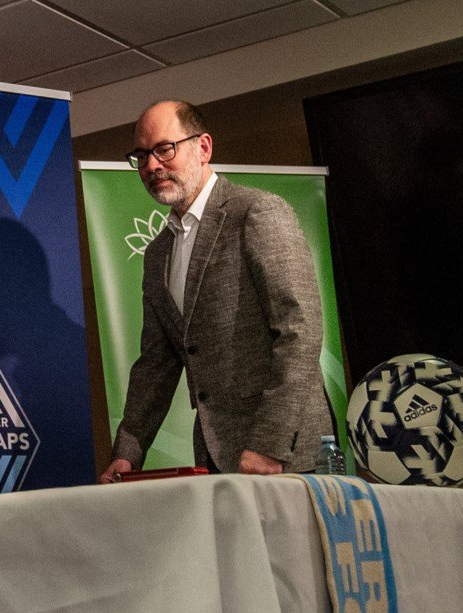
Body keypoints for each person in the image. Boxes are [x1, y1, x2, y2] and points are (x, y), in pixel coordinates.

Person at [99, 101, 331, 482]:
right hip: (215, 459)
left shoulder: (257, 212)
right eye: (141, 156)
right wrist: (127, 453)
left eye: (164, 149)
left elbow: (300, 331)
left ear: (203, 148)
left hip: (287, 459)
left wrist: (268, 444)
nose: (152, 165)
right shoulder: (157, 254)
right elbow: (156, 364)